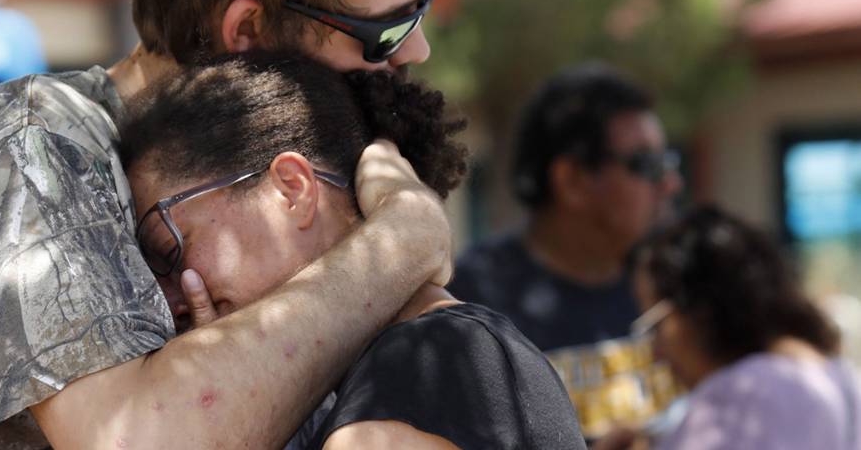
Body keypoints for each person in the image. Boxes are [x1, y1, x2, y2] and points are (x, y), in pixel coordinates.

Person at [0, 0, 454, 448]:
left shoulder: (316, 156)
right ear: (246, 30)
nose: (417, 48)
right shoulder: (41, 134)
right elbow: (131, 439)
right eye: (386, 31)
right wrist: (402, 242)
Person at [122, 50, 588, 450]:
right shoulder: (419, 362)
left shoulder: (423, 363)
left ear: (291, 189)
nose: (172, 300)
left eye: (169, 249)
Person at [448, 62, 684, 438]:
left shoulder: (675, 282)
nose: (670, 183)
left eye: (668, 161)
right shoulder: (471, 306)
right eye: (648, 165)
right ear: (572, 180)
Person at [595, 204, 861, 450]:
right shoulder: (837, 375)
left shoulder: (738, 399)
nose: (656, 352)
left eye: (654, 326)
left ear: (699, 310)